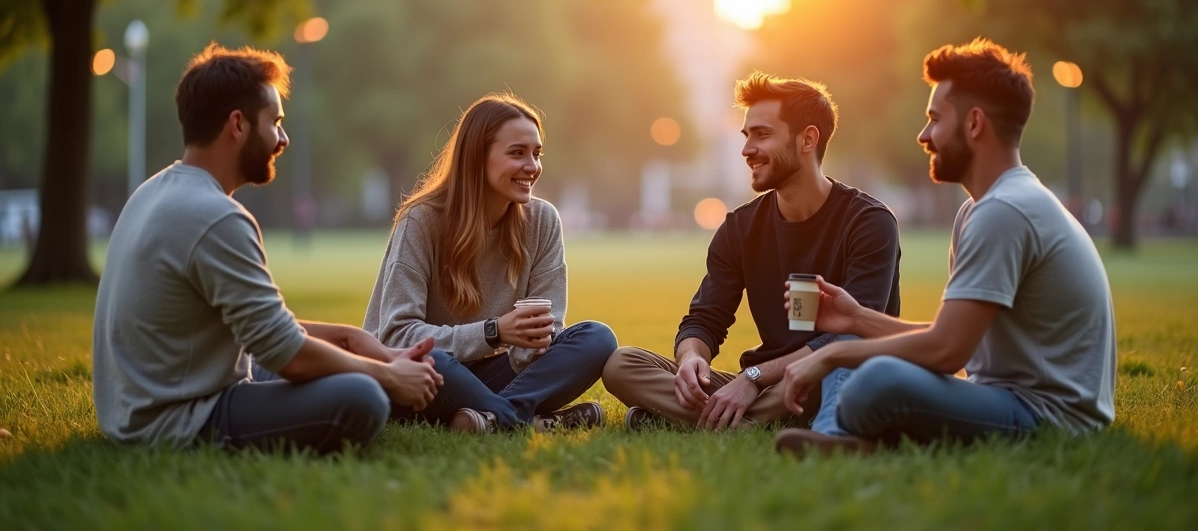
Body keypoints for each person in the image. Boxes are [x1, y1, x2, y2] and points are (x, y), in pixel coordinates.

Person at [93, 43, 443, 454]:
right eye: (275, 122)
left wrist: (348, 338)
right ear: (238, 125)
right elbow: (286, 355)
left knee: (344, 368)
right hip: (174, 420)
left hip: (136, 406)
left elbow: (259, 329)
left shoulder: (153, 191)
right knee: (362, 396)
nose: (283, 138)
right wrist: (387, 377)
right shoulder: (216, 216)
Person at [776, 38, 1116, 456]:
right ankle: (842, 442)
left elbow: (946, 351)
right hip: (1005, 397)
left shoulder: (1005, 211)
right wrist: (855, 318)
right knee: (856, 360)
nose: (924, 135)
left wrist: (835, 355)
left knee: (872, 376)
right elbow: (950, 339)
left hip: (1049, 417)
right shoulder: (982, 208)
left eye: (935, 118)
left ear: (974, 124)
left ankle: (837, 440)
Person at [602, 72, 901, 431]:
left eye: (762, 134)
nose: (746, 150)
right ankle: (740, 421)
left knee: (840, 365)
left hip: (833, 375)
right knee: (622, 364)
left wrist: (754, 378)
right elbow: (705, 319)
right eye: (746, 136)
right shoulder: (740, 227)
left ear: (807, 139)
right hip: (764, 387)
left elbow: (854, 334)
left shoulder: (869, 222)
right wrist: (691, 360)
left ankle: (711, 421)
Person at [363, 93, 617, 434]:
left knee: (597, 338)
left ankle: (492, 417)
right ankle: (525, 420)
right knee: (433, 359)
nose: (532, 167)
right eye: (517, 153)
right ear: (477, 158)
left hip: (496, 373)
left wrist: (538, 341)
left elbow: (547, 330)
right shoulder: (420, 221)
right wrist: (494, 332)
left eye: (537, 154)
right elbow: (396, 336)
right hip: (421, 377)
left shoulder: (542, 220)